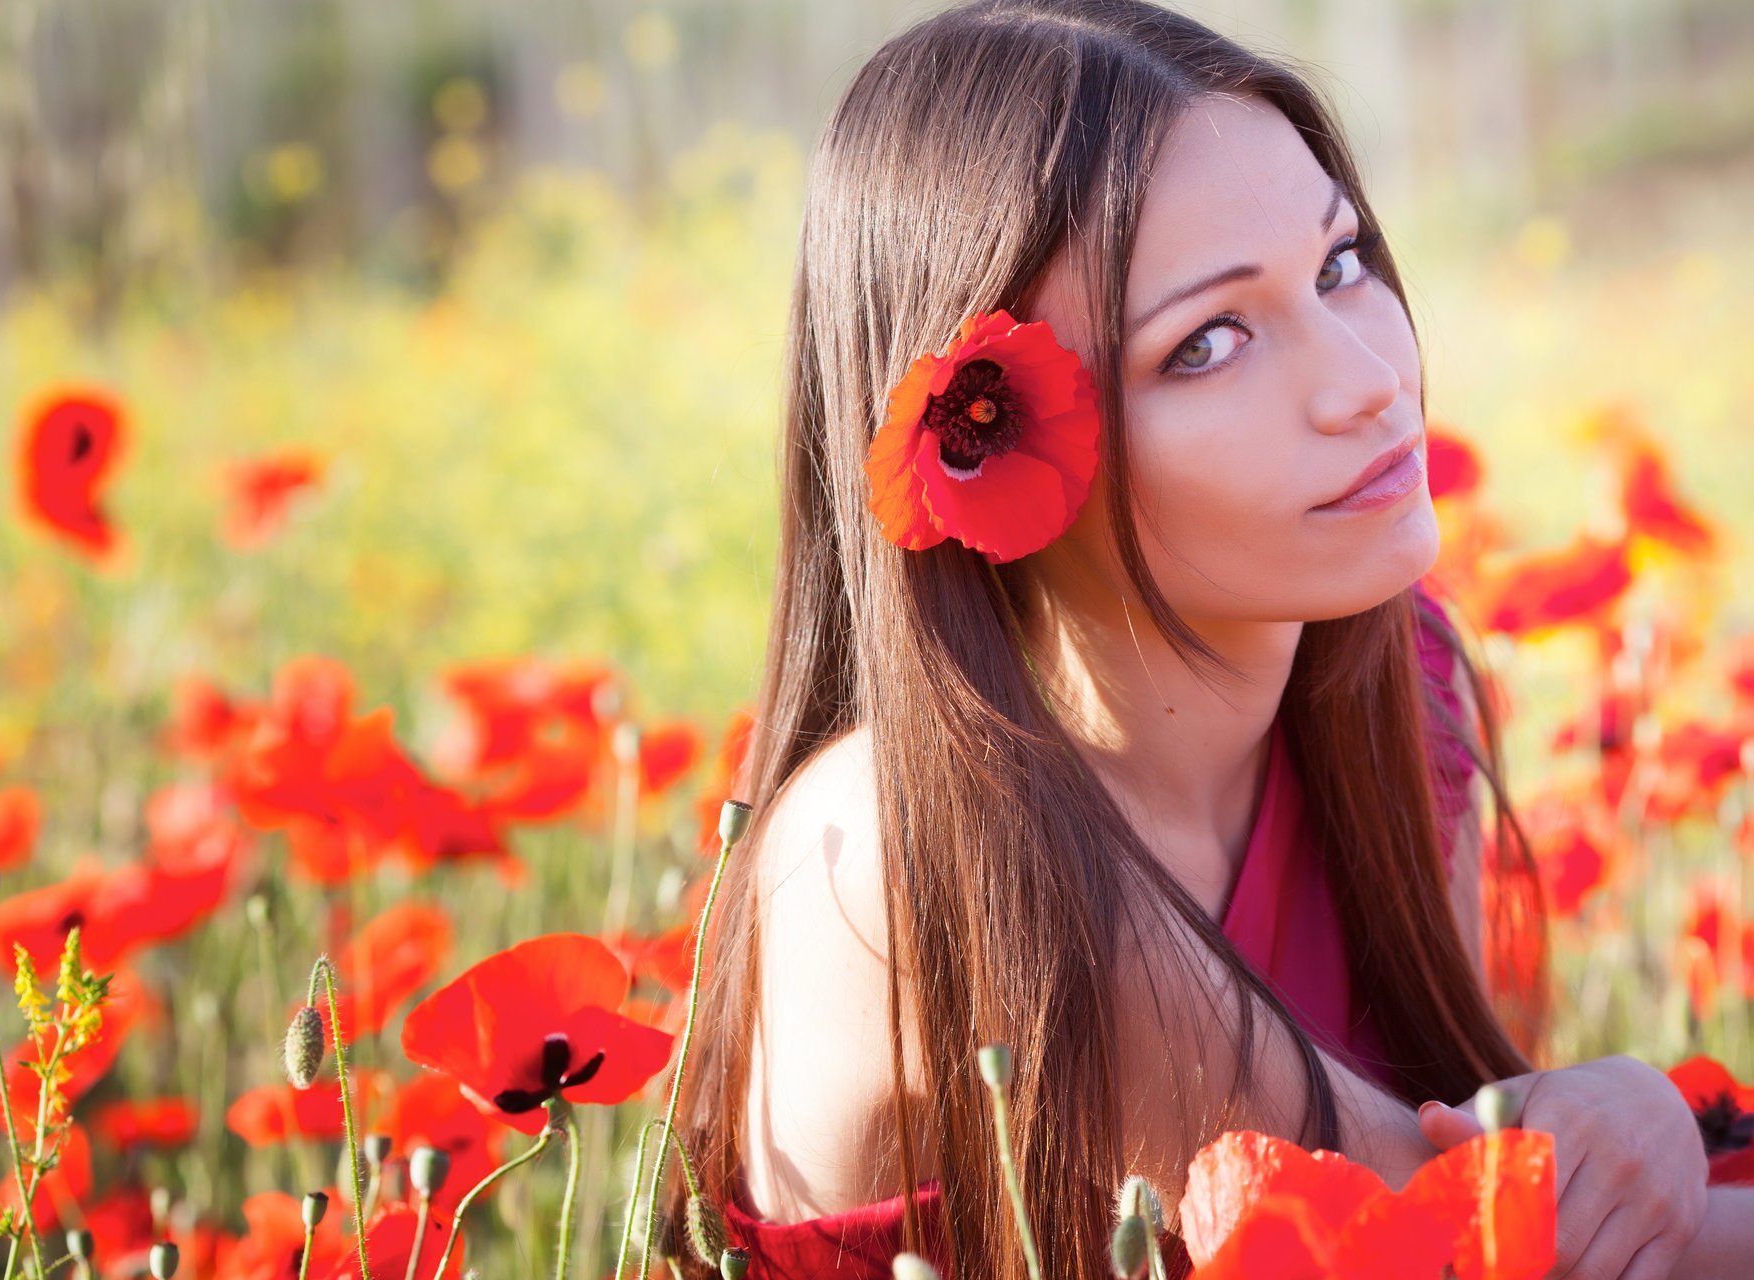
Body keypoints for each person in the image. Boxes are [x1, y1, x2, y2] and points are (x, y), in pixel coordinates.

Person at [657, 2, 1750, 1276]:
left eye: (1340, 265)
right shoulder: (906, 841)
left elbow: (1535, 1203)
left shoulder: (1407, 690)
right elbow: (1466, 1240)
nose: (1368, 380)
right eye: (1209, 343)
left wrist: (1626, 1140)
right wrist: (1626, 1145)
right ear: (980, 452)